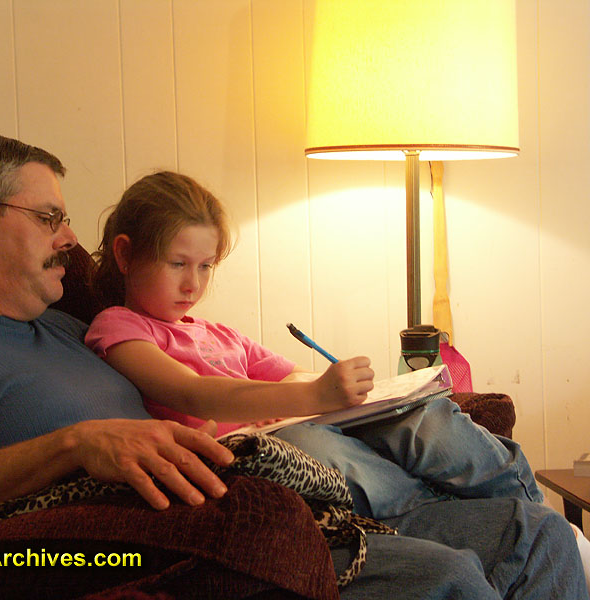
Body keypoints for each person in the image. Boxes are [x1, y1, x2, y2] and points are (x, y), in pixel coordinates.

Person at [0, 133, 587, 598]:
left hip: (289, 500)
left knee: (537, 533)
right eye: (48, 218)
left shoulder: (67, 331)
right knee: (450, 579)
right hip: (200, 542)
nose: (71, 239)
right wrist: (75, 444)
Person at [86, 170, 541, 520]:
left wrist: (346, 392)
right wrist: (308, 397)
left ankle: (524, 502)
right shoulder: (119, 327)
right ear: (125, 255)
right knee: (310, 441)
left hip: (290, 426)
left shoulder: (219, 333)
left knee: (423, 416)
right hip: (246, 457)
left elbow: (294, 374)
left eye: (206, 266)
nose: (193, 283)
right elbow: (190, 392)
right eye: (178, 263)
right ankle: (435, 514)